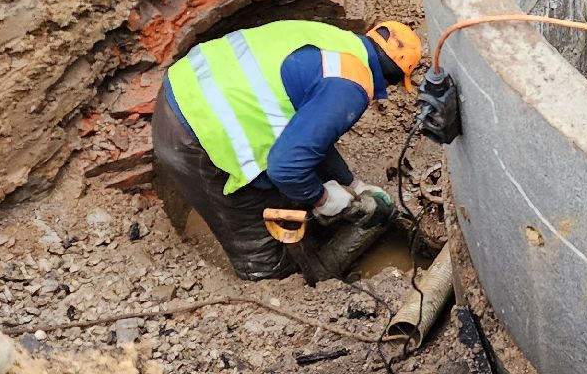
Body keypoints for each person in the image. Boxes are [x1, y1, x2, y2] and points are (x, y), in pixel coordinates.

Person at [151, 18, 422, 281]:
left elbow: (313, 134)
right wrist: (323, 199)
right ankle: (268, 283)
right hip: (196, 134)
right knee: (261, 250)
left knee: (288, 188)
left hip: (186, 86)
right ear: (392, 79)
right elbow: (285, 169)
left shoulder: (335, 41)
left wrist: (352, 183)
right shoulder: (352, 86)